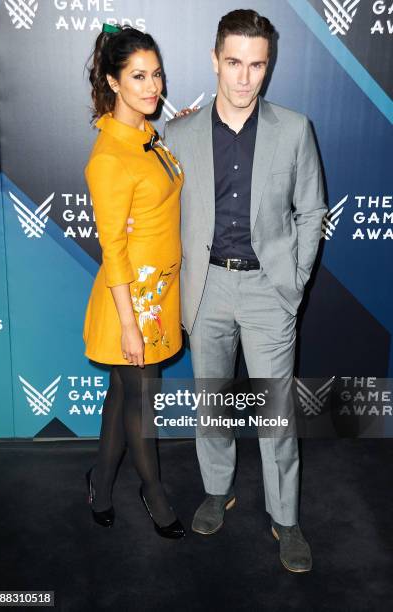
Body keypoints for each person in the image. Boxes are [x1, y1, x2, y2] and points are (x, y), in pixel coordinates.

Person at [162, 9, 327, 570]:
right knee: (214, 403)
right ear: (214, 60)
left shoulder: (295, 129)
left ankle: (286, 518)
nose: (244, 77)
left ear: (267, 66)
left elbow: (311, 210)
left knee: (275, 414)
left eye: (256, 65)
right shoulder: (177, 134)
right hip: (204, 288)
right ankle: (217, 489)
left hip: (267, 291)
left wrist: (293, 285)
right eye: (233, 62)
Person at [82, 23, 185, 539]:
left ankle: (100, 484)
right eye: (138, 77)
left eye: (157, 74)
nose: (152, 86)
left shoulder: (146, 134)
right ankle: (155, 493)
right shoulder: (108, 158)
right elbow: (113, 249)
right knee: (140, 405)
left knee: (121, 401)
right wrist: (129, 326)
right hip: (132, 305)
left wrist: (176, 128)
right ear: (113, 82)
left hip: (160, 294)